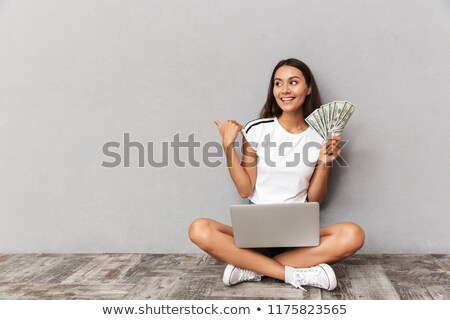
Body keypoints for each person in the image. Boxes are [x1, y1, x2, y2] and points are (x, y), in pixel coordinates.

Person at [188, 58, 365, 291]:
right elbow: (245, 189)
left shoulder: (319, 136)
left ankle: (250, 268)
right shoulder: (256, 130)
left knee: (353, 234)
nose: (285, 90)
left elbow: (314, 199)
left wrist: (325, 163)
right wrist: (227, 147)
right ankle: (293, 274)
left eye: (293, 82)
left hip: (298, 238)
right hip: (256, 236)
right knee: (199, 228)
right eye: (278, 84)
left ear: (308, 88)